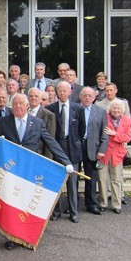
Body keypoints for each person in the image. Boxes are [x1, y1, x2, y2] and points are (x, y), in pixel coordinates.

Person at [0, 94, 73, 250]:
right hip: (12, 171)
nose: (18, 106)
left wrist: (66, 161)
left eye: (21, 104)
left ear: (27, 106)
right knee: (12, 204)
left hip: (30, 171)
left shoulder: (37, 123)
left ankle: (25, 236)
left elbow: (51, 142)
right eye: (15, 104)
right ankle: (11, 236)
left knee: (27, 204)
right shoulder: (4, 122)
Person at [46, 81, 85, 223]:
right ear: (56, 93)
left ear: (70, 92)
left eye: (64, 91)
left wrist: (76, 143)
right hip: (56, 147)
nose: (62, 93)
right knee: (56, 181)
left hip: (72, 147)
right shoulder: (50, 109)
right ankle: (55, 211)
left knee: (72, 182)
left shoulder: (78, 109)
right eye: (60, 91)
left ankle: (73, 211)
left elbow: (82, 130)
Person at [79, 87, 109, 215]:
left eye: (89, 96)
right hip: (77, 147)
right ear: (80, 97)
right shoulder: (75, 109)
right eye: (84, 95)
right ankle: (73, 204)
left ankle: (91, 204)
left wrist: (102, 150)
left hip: (93, 148)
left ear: (94, 97)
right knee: (74, 176)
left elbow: (105, 133)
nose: (87, 98)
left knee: (91, 177)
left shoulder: (101, 111)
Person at [99, 101, 131, 214]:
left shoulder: (126, 120)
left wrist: (114, 134)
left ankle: (116, 204)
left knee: (116, 179)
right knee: (102, 179)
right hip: (104, 152)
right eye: (114, 108)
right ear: (110, 109)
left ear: (122, 110)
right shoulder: (104, 118)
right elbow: (101, 134)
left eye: (118, 108)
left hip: (117, 153)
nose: (116, 110)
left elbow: (127, 137)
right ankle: (103, 203)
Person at [27, 87, 56, 159]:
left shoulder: (49, 115)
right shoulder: (24, 112)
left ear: (40, 99)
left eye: (36, 96)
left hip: (40, 155)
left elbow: (50, 140)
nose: (33, 98)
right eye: (31, 96)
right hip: (25, 153)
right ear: (27, 98)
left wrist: (48, 160)